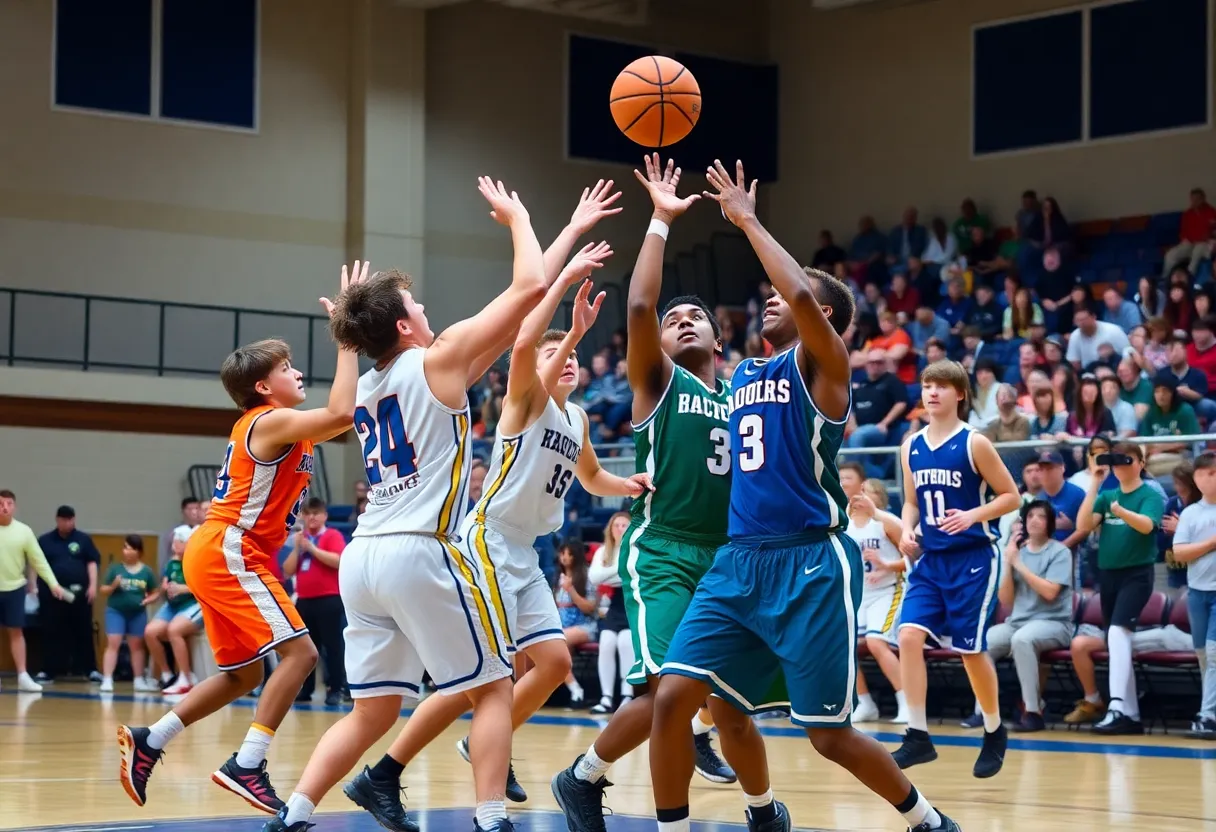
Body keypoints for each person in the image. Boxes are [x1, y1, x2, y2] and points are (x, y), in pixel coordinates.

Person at [646, 159, 960, 832]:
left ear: (820, 315)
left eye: (790, 296)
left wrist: (748, 220)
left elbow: (796, 290)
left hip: (809, 564)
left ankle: (928, 820)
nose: (770, 298)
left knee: (828, 736)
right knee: (673, 698)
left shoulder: (824, 368)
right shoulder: (740, 375)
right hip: (736, 563)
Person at [267, 179, 552, 832]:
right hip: (421, 549)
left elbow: (498, 346)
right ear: (403, 324)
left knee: (372, 709)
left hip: (363, 558)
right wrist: (519, 217)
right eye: (416, 304)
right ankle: (490, 820)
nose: (426, 310)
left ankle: (292, 816)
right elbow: (528, 289)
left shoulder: (369, 385)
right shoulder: (439, 356)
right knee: (494, 687)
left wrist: (348, 318)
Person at [346, 236, 657, 828]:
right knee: (480, 674)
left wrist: (631, 483)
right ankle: (386, 770)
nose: (565, 359)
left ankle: (471, 743)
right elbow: (523, 348)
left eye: (569, 356)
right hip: (485, 540)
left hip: (527, 551)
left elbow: (590, 478)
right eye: (554, 353)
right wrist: (568, 329)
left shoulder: (580, 418)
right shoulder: (526, 402)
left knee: (555, 664)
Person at [118, 260, 364, 813]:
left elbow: (345, 421)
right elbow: (343, 411)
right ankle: (247, 763)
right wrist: (347, 336)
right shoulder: (266, 420)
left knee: (242, 674)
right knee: (301, 655)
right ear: (262, 387)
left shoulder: (281, 427)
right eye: (288, 367)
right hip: (231, 547)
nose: (297, 373)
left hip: (226, 550)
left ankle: (149, 741)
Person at [551, 155, 742, 832]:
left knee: (711, 695)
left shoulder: (740, 398)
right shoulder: (660, 383)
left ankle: (583, 777)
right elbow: (638, 303)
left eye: (697, 317)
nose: (683, 321)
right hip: (662, 549)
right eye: (674, 319)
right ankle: (648, 808)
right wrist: (660, 220)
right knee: (668, 689)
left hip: (723, 559)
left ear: (722, 338)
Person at [893, 360, 1021, 778]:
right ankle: (917, 735)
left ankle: (993, 729)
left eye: (942, 386)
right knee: (908, 636)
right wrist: (906, 530)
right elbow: (910, 501)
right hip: (931, 559)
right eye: (927, 385)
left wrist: (971, 515)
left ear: (960, 394)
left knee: (969, 650)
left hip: (973, 556)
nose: (932, 393)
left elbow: (1011, 497)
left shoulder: (975, 443)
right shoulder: (909, 445)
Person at [1076, 441, 1165, 735]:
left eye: (1127, 461)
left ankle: (1116, 706)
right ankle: (1130, 714)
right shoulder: (1107, 495)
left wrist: (1121, 512)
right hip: (1109, 575)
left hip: (1137, 574)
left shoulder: (1149, 494)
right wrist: (1095, 484)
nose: (1121, 467)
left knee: (1116, 633)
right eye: (1117, 462)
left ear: (1141, 463)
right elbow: (1084, 525)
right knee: (1118, 639)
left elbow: (1147, 526)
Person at [988, 501, 1074, 732]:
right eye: (1030, 516)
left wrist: (1019, 564)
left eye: (1041, 516)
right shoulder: (1019, 553)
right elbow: (1006, 600)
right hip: (1019, 622)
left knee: (1022, 640)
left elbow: (1049, 593)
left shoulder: (1060, 552)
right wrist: (1008, 562)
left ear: (1050, 523)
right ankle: (985, 711)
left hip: (1054, 623)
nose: (1035, 520)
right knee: (983, 643)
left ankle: (1033, 711)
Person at [840, 464, 908, 724]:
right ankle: (864, 702)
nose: (844, 482)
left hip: (888, 591)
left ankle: (907, 702)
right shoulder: (843, 521)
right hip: (859, 595)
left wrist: (886, 565)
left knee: (877, 642)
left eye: (849, 478)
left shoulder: (885, 523)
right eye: (841, 478)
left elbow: (915, 557)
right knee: (845, 646)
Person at [282, 498, 349, 706]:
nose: (312, 517)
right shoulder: (301, 540)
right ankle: (307, 688)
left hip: (328, 599)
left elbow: (338, 561)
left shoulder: (331, 535)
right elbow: (287, 570)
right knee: (307, 649)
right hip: (304, 601)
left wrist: (312, 549)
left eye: (316, 513)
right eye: (308, 513)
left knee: (332, 647)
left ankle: (335, 688)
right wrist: (297, 549)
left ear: (324, 516)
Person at [1168, 450, 1216, 737]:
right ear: (1197, 478)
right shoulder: (1191, 513)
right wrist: (1211, 543)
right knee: (1203, 655)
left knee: (1213, 652)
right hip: (1198, 592)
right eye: (1208, 473)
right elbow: (1180, 552)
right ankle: (1210, 708)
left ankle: (1207, 714)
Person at [0, 489, 66, 693]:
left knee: (16, 631)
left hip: (15, 588)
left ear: (15, 506)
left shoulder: (24, 531)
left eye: (9, 503)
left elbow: (39, 560)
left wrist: (53, 583)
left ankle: (22, 676)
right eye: (1, 503)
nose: (5, 507)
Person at [35, 505, 101, 684]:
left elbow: (92, 563)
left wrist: (93, 586)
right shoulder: (45, 540)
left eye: (71, 519)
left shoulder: (83, 539)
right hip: (52, 595)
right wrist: (33, 587)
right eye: (64, 519)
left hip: (80, 595)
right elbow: (36, 563)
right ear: (57, 520)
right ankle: (49, 670)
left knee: (83, 631)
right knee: (51, 631)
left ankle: (90, 670)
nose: (68, 523)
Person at [143, 525, 205, 695]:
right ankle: (167, 674)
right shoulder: (172, 562)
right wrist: (162, 590)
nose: (173, 547)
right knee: (151, 632)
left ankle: (185, 677)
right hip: (173, 605)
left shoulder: (198, 560)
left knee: (174, 630)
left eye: (177, 543)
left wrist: (183, 589)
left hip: (194, 603)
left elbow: (206, 587)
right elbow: (165, 582)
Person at [99, 534, 159, 693]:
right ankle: (107, 679)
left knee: (137, 646)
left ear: (138, 551)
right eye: (125, 547)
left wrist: (149, 600)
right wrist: (113, 586)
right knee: (114, 642)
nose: (127, 551)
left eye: (131, 548)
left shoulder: (147, 571)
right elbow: (103, 590)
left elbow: (155, 591)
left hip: (137, 613)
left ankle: (138, 679)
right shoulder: (115, 569)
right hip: (116, 611)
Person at [589, 511, 635, 715]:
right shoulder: (603, 551)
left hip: (632, 601)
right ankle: (606, 697)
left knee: (626, 642)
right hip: (614, 604)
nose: (620, 529)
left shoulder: (636, 549)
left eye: (624, 525)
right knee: (606, 643)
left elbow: (634, 573)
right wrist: (620, 571)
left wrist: (612, 575)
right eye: (616, 525)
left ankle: (627, 695)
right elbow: (594, 578)